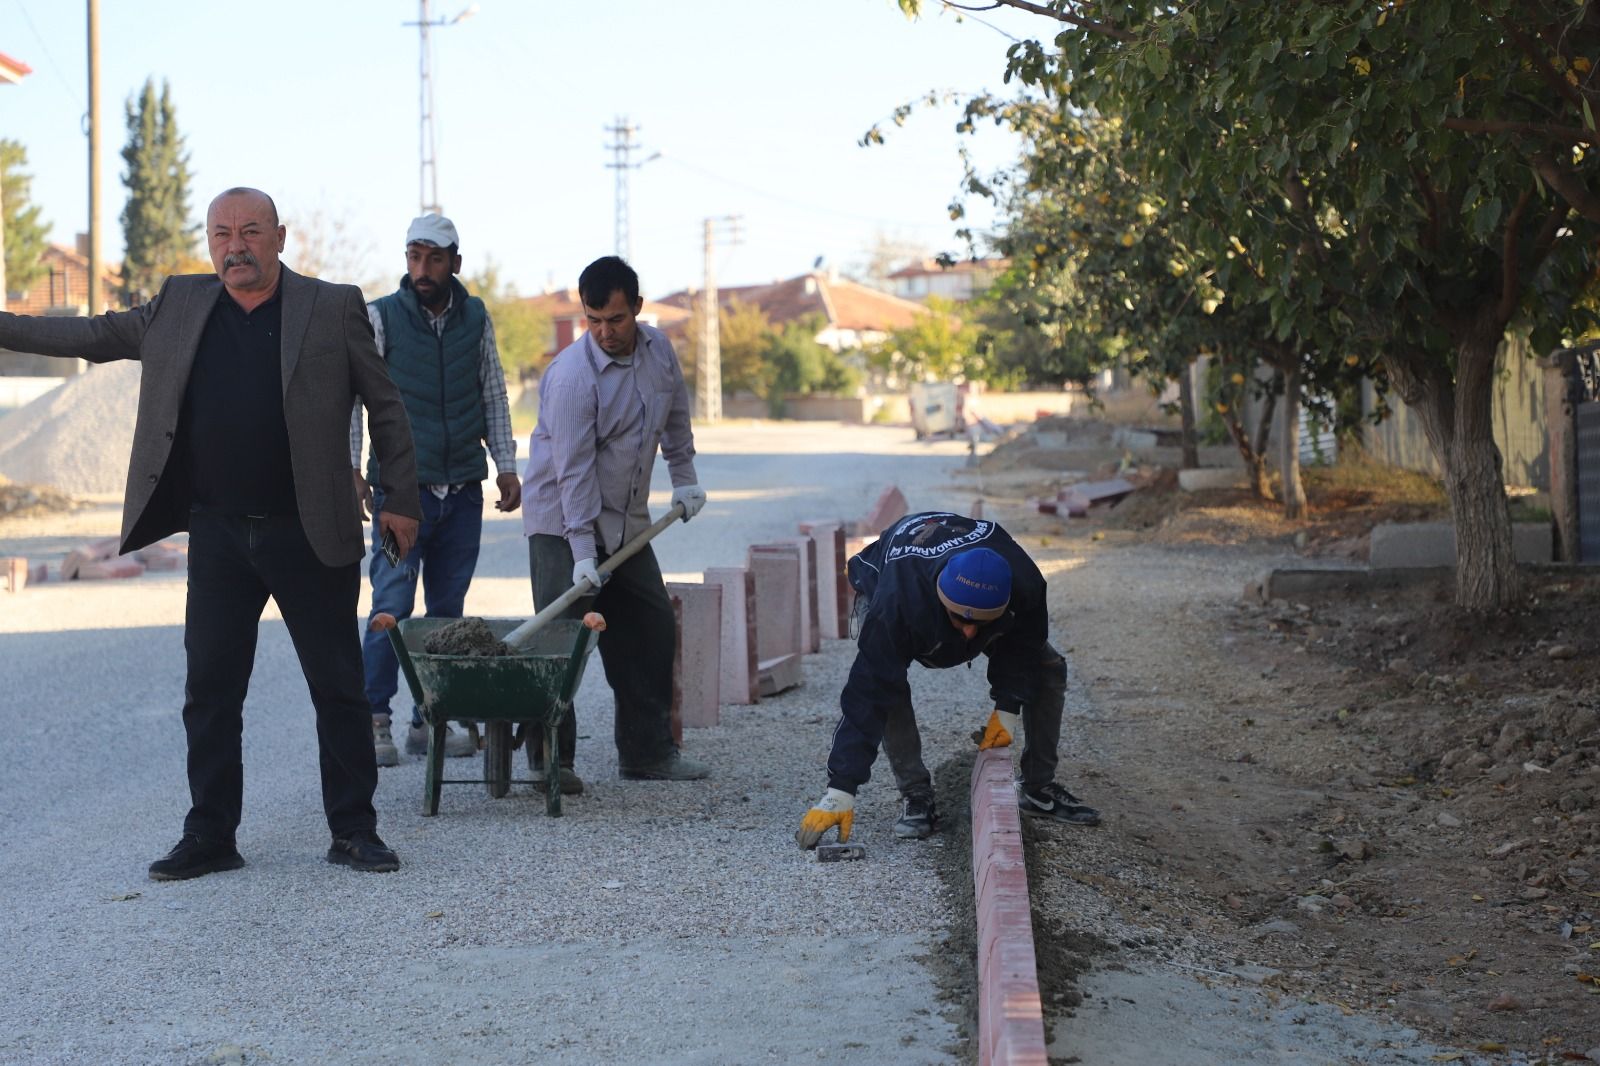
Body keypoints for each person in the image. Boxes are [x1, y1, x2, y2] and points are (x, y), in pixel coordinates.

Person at [0, 187, 422, 880]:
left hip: (309, 531)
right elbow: (91, 337)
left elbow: (387, 404)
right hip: (219, 535)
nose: (236, 246)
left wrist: (401, 497)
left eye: (251, 231)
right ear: (209, 243)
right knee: (211, 693)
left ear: (279, 237)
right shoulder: (179, 303)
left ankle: (354, 830)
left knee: (338, 688)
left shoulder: (331, 306)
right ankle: (210, 834)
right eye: (222, 233)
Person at [795, 510, 1101, 849]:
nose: (969, 632)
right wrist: (841, 789)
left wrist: (1008, 708)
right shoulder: (897, 605)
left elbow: (1024, 644)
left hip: (972, 595)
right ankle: (916, 794)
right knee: (888, 686)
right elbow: (867, 693)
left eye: (980, 623)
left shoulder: (1025, 582)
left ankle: (1037, 788)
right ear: (942, 598)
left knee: (1048, 667)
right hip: (891, 582)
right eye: (960, 619)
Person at [520, 255, 709, 790]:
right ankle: (550, 761)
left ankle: (647, 752)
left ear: (638, 309)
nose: (605, 332)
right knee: (561, 640)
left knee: (651, 626)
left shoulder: (659, 352)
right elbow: (573, 472)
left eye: (616, 319)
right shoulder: (571, 378)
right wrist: (583, 552)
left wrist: (684, 478)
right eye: (594, 320)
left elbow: (676, 419)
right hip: (563, 522)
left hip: (625, 520)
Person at [352, 214, 520, 767]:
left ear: (455, 263)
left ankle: (431, 719)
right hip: (399, 496)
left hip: (463, 492)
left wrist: (506, 465)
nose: (422, 269)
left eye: (435, 258)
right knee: (391, 606)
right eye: (414, 257)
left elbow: (492, 392)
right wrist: (351, 468)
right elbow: (354, 397)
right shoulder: (380, 317)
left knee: (448, 615)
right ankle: (374, 719)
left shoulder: (476, 317)